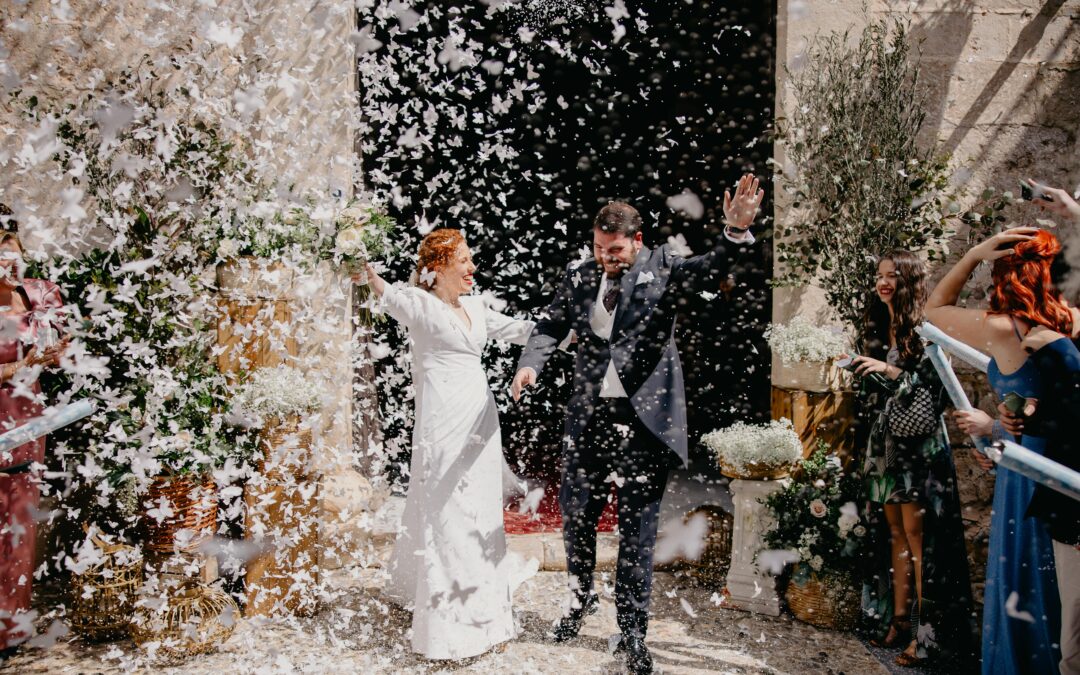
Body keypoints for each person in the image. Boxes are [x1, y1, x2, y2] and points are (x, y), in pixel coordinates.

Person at [511, 174, 764, 675]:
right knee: (578, 519)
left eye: (617, 248)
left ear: (638, 241)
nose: (608, 256)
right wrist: (531, 363)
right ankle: (578, 601)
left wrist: (735, 232)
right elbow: (550, 325)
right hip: (587, 420)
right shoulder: (582, 276)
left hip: (644, 421)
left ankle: (632, 631)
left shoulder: (664, 267)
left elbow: (713, 269)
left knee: (637, 530)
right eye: (601, 247)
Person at [356, 228, 538, 660]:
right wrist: (357, 263)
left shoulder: (476, 306)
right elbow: (378, 287)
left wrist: (570, 330)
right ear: (437, 267)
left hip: (480, 421)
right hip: (441, 425)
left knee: (478, 510)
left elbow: (519, 330)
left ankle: (485, 606)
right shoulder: (417, 303)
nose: (472, 268)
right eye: (463, 261)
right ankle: (451, 623)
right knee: (445, 510)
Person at [926, 227, 1067, 675]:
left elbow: (932, 310)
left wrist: (970, 256)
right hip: (1063, 458)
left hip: (1026, 464)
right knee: (1060, 579)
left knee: (1024, 575)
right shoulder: (1069, 320)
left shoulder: (1006, 329)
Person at [849, 250, 975, 669]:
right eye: (879, 276)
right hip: (886, 448)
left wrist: (887, 374)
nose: (883, 283)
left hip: (918, 450)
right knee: (897, 537)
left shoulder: (925, 330)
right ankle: (899, 619)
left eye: (892, 277)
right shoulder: (880, 327)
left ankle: (927, 635)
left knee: (921, 544)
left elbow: (933, 392)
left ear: (909, 281)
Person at [0, 208, 67, 659]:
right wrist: (24, 364)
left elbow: (61, 354)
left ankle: (10, 631)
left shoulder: (40, 292)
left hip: (28, 420)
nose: (4, 258)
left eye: (8, 247)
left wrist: (55, 352)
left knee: (19, 522)